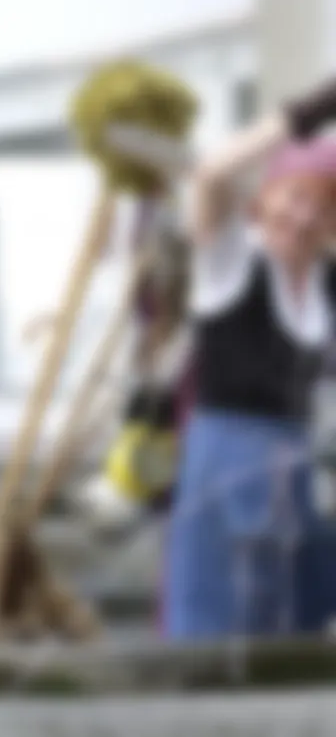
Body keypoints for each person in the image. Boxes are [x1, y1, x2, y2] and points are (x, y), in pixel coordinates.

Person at [163, 78, 336, 639]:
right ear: (267, 199)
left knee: (286, 622)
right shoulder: (232, 262)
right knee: (218, 620)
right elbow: (213, 174)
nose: (302, 215)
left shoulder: (324, 288)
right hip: (224, 460)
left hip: (294, 466)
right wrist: (315, 108)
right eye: (293, 196)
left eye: (320, 204)